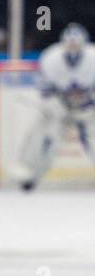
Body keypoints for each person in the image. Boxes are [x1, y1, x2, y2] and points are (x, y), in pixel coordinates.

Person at [17, 23, 95, 191]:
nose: (73, 48)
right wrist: (57, 106)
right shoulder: (51, 58)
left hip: (87, 109)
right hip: (61, 109)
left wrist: (88, 100)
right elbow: (45, 91)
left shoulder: (93, 57)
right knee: (48, 139)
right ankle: (31, 175)